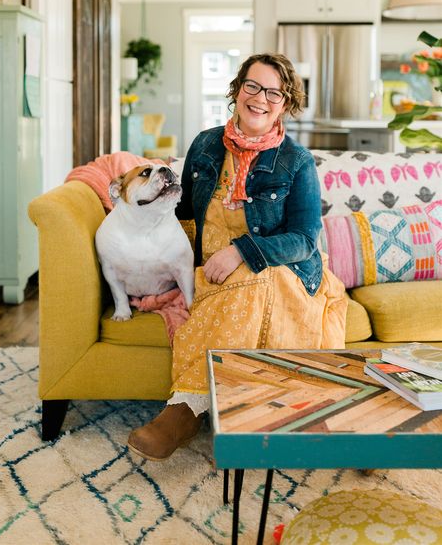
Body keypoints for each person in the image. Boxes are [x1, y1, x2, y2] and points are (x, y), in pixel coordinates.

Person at [128, 52, 348, 461]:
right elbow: (183, 212)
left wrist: (243, 250)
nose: (260, 98)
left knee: (260, 282)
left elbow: (304, 237)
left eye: (273, 93)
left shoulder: (296, 161)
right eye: (252, 86)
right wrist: (133, 214)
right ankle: (333, 424)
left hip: (285, 272)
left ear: (286, 104)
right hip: (214, 274)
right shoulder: (207, 145)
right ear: (237, 90)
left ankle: (184, 411)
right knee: (244, 288)